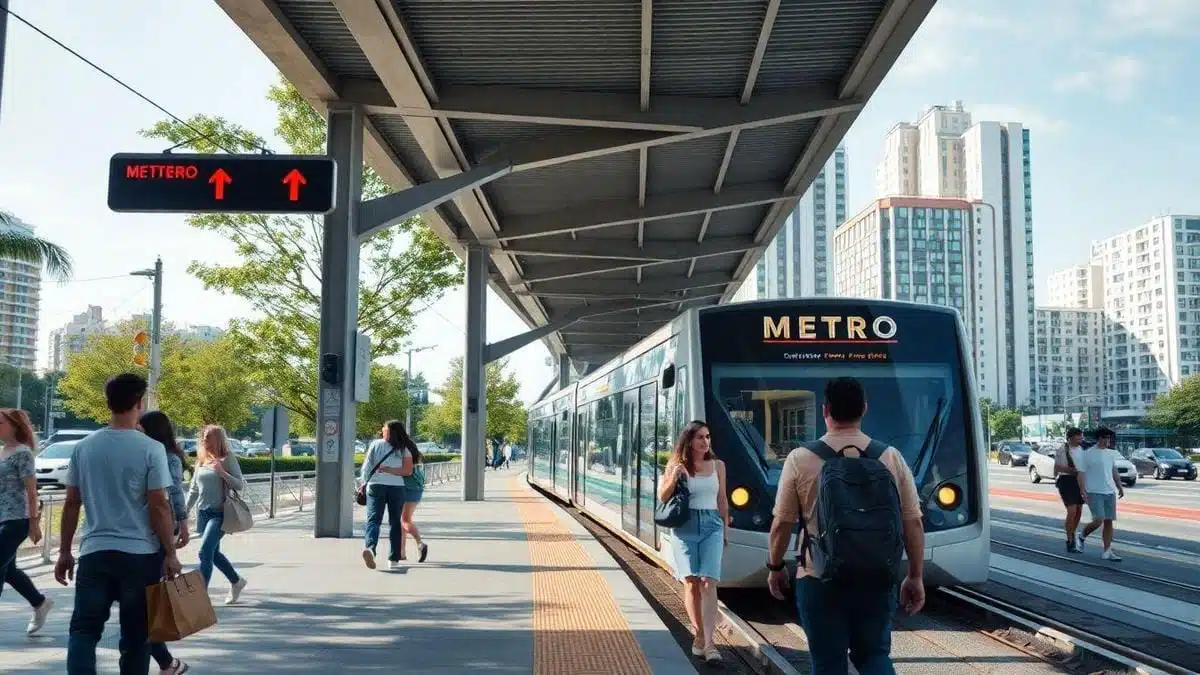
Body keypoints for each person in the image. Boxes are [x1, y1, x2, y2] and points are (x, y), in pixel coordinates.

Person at [766, 377, 925, 675]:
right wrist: (915, 576)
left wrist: (775, 568)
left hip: (819, 577)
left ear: (825, 410)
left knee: (828, 664)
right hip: (877, 576)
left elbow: (781, 524)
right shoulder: (891, 457)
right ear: (864, 409)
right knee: (875, 655)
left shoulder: (801, 459)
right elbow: (913, 522)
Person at [55, 373, 183, 675]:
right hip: (139, 556)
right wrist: (171, 553)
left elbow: (72, 503)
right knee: (137, 636)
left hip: (94, 553)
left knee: (84, 631)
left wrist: (64, 551)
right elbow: (158, 505)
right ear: (139, 403)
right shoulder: (150, 448)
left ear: (108, 402)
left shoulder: (84, 447)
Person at [659, 420, 727, 663]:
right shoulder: (678, 466)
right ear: (689, 441)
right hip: (685, 526)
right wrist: (674, 476)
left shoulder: (719, 465)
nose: (705, 441)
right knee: (691, 582)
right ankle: (699, 634)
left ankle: (710, 644)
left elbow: (722, 500)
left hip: (712, 526)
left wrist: (725, 530)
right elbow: (663, 496)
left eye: (708, 437)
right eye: (700, 437)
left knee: (708, 581)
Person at [139, 411, 192, 675]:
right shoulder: (150, 453)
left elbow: (174, 493)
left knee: (149, 601)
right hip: (148, 529)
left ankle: (165, 661)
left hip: (159, 529)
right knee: (147, 601)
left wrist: (182, 524)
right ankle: (166, 661)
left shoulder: (167, 457)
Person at [0, 408, 53, 635]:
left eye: (0, 422)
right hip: (1, 516)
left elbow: (32, 492)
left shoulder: (23, 453)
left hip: (16, 519)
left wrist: (34, 522)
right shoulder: (2, 451)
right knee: (9, 569)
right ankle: (39, 602)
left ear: (14, 425)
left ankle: (39, 603)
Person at [185, 424, 247, 603]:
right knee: (214, 553)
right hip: (203, 514)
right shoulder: (201, 461)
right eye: (203, 437)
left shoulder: (227, 459)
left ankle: (200, 597)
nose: (203, 440)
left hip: (219, 514)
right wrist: (185, 511)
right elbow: (194, 489)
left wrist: (222, 472)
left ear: (217, 439)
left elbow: (239, 485)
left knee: (205, 552)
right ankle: (237, 581)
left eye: (207, 437)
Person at [360, 419, 414, 570]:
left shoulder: (375, 445)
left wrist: (363, 483)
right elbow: (407, 471)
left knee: (373, 520)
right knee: (395, 522)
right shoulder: (404, 449)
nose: (382, 430)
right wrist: (391, 470)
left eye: (384, 428)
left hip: (375, 486)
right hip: (396, 487)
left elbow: (367, 466)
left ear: (389, 431)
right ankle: (393, 558)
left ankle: (370, 548)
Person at [1076, 427, 1124, 562]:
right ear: (1099, 438)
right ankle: (1081, 535)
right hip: (1094, 491)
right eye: (1105, 437)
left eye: (1109, 438)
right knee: (1099, 520)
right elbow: (1081, 473)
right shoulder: (1087, 454)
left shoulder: (1110, 453)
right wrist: (1082, 490)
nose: (1108, 440)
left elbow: (1113, 470)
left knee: (1109, 521)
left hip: (1109, 491)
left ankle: (1107, 551)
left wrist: (1119, 486)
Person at [1055, 428, 1085, 553]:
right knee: (1072, 510)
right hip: (1066, 480)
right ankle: (1070, 540)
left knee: (1078, 510)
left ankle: (1073, 531)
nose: (1080, 439)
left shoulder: (1081, 449)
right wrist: (1071, 470)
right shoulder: (1063, 450)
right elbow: (1057, 468)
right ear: (1071, 438)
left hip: (1078, 481)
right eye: (1078, 437)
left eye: (1081, 437)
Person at [399, 441, 429, 563]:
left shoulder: (403, 454)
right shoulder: (416, 457)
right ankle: (401, 552)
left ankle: (420, 543)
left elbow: (405, 472)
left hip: (407, 488)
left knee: (405, 520)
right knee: (403, 520)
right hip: (417, 489)